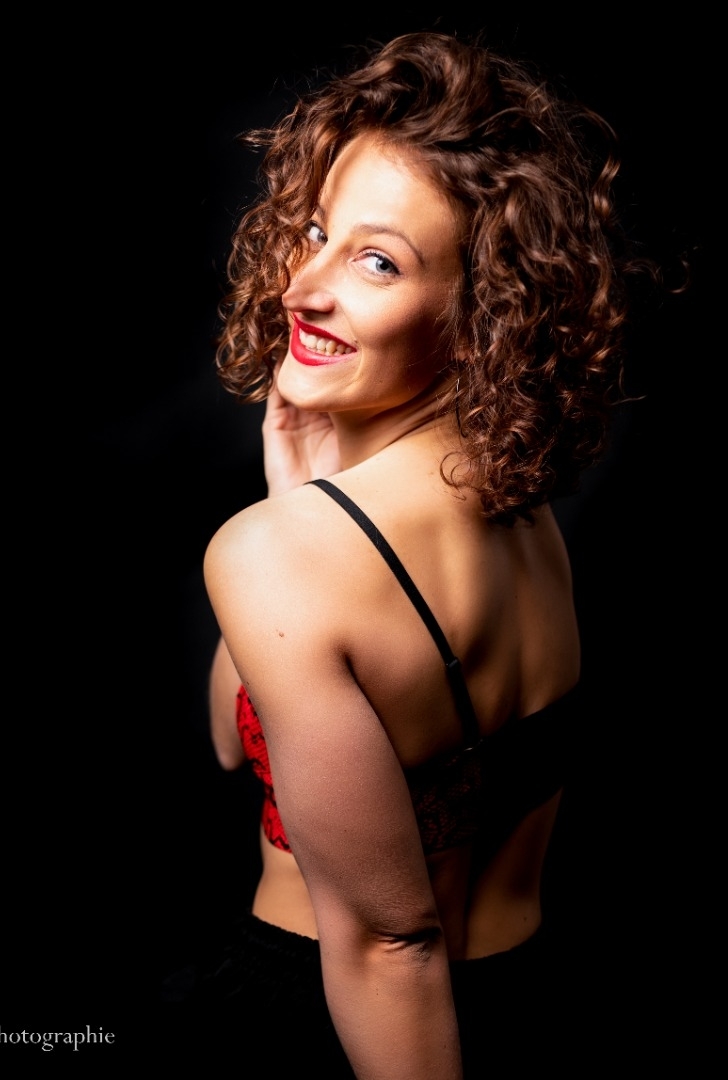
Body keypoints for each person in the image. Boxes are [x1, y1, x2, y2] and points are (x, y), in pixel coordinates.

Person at [180, 29, 654, 1079]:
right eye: (315, 231)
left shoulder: (288, 559)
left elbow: (393, 947)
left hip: (351, 1029)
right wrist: (295, 503)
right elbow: (235, 740)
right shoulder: (523, 513)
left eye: (377, 261)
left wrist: (288, 535)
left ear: (482, 315)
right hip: (530, 1000)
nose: (302, 288)